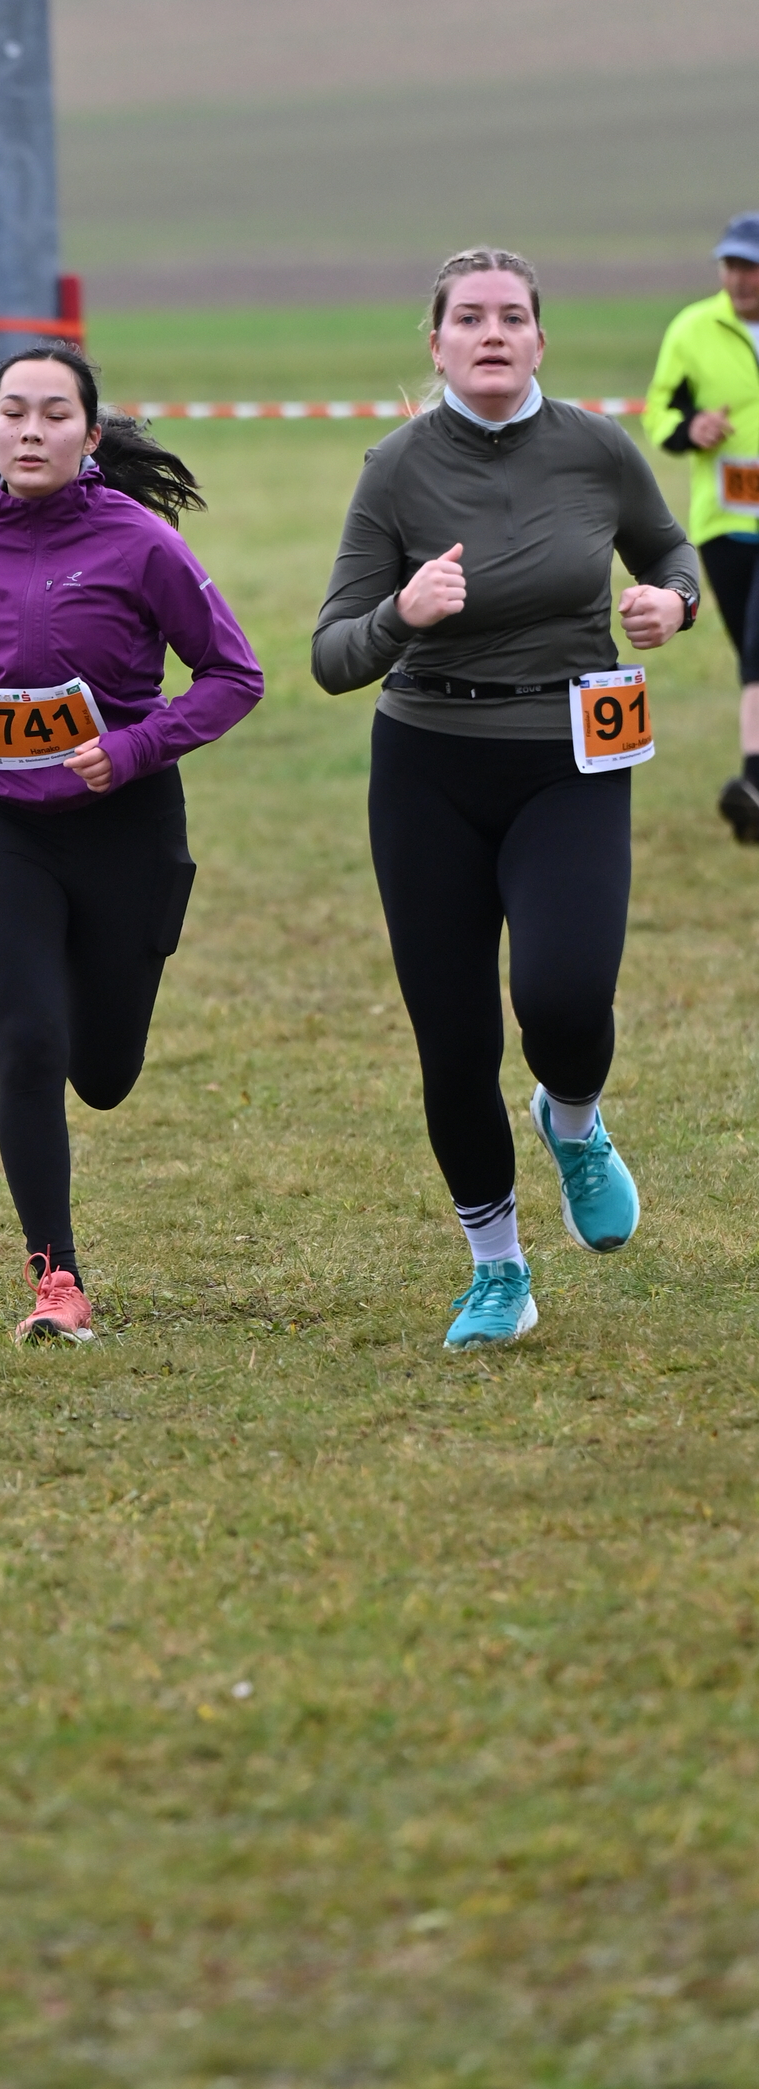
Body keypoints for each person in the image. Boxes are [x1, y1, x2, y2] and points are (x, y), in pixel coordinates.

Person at [313, 248, 699, 1355]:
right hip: (428, 765)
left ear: (539, 340)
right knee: (453, 1039)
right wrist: (401, 613)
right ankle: (497, 1271)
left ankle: (571, 1120)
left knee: (564, 999)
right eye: (470, 318)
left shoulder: (596, 447)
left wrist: (670, 603)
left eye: (512, 317)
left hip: (572, 755)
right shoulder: (394, 469)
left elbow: (672, 551)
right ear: (435, 344)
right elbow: (332, 655)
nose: (492, 333)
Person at [0, 346, 262, 1344]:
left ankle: (96, 1038)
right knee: (27, 1043)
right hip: (1, 823)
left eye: (53, 414)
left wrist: (133, 748)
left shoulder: (141, 543)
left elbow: (234, 675)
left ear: (89, 436)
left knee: (101, 1073)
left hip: (125, 825)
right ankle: (55, 1279)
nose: (29, 430)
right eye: (12, 411)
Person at [641, 211, 759, 844]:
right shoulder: (692, 329)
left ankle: (753, 781)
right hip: (725, 523)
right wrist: (693, 429)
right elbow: (659, 412)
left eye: (751, 266)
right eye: (731, 265)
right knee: (750, 649)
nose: (740, 278)